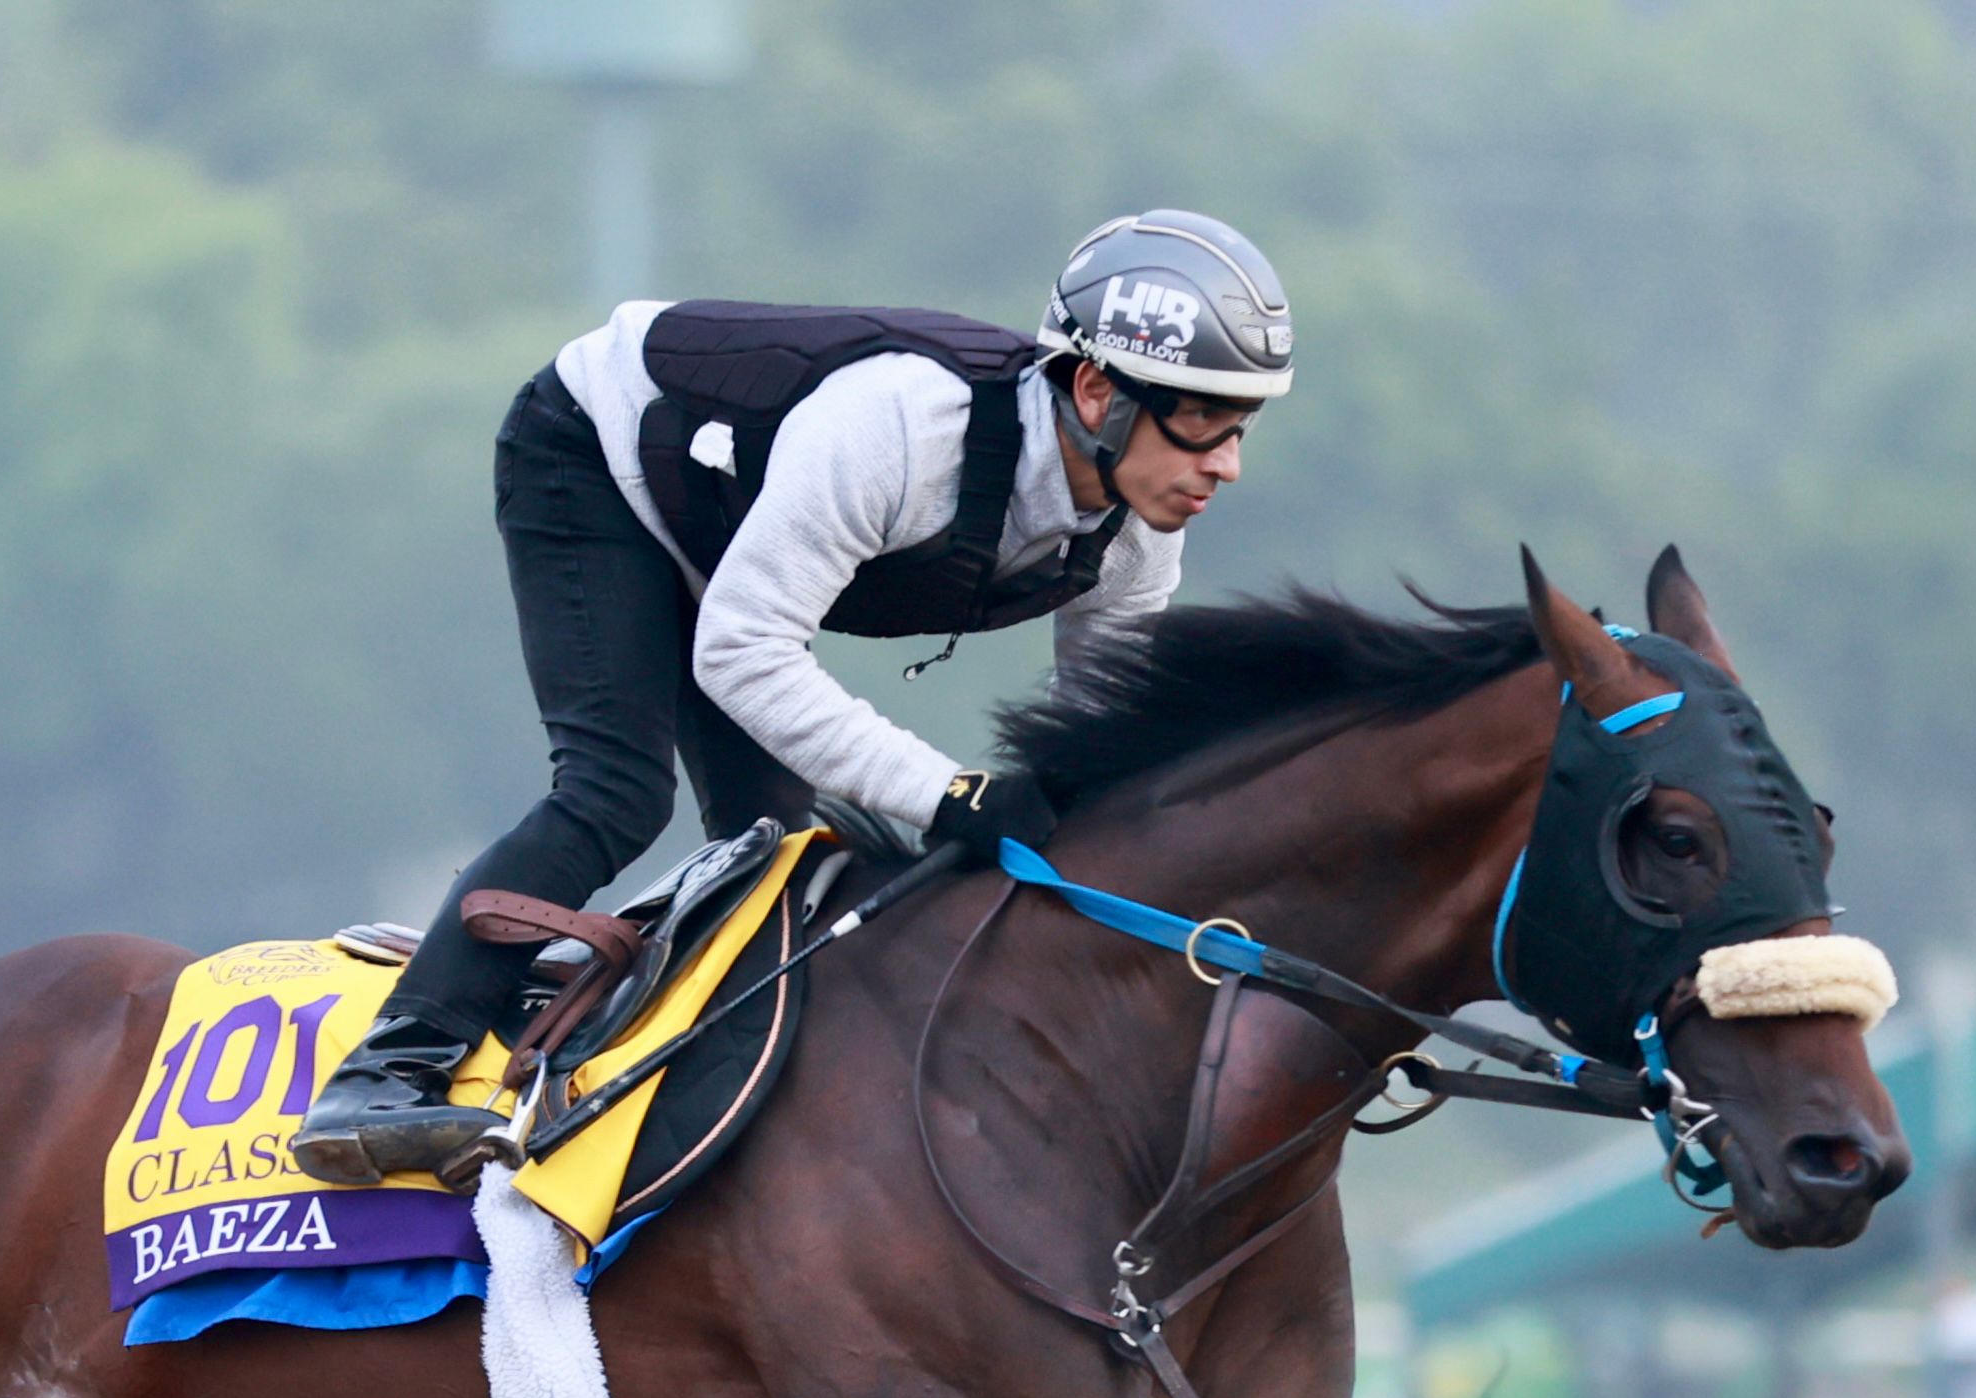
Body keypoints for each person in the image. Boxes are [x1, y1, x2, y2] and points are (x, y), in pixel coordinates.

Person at [290, 210, 1296, 1185]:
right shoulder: (908, 430)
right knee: (616, 788)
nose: (1227, 465)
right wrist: (950, 794)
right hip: (595, 461)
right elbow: (741, 654)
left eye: (1241, 426)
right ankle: (389, 1069)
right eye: (1201, 420)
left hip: (730, 528)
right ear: (1092, 391)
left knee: (770, 844)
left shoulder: (1138, 531)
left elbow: (1098, 751)